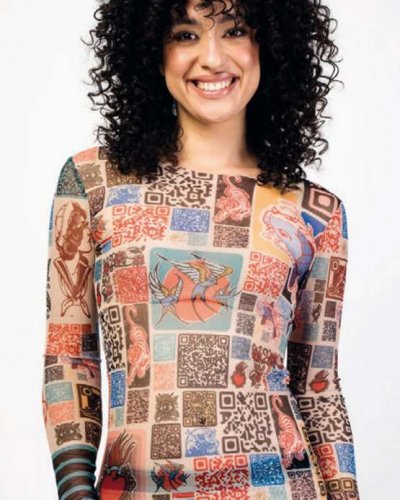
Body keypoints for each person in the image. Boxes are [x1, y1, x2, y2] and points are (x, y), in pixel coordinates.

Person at [41, 0, 360, 498]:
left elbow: (318, 389)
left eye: (235, 31)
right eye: (186, 35)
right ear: (153, 51)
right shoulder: (94, 181)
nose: (211, 58)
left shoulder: (314, 211)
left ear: (270, 46)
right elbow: (69, 359)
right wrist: (75, 492)